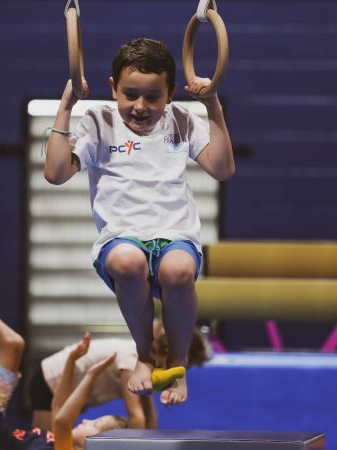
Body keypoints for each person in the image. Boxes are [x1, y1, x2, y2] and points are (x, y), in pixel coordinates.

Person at [44, 37, 234, 405]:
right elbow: (55, 172)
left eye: (153, 97)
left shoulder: (180, 119)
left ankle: (176, 363)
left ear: (171, 93)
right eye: (130, 94)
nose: (140, 107)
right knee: (127, 262)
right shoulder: (98, 122)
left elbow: (223, 169)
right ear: (113, 87)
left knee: (178, 270)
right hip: (121, 238)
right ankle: (144, 355)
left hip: (175, 235)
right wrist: (66, 105)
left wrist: (212, 104)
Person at [0, 229, 127, 450]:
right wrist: (71, 361)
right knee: (12, 346)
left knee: (11, 344)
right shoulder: (60, 442)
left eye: (95, 423)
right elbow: (58, 405)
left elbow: (63, 419)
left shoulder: (64, 448)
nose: (86, 419)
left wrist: (91, 376)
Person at [28, 323, 209, 431]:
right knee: (46, 440)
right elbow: (135, 415)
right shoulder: (132, 361)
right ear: (166, 353)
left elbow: (149, 414)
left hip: (72, 387)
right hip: (49, 380)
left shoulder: (147, 365)